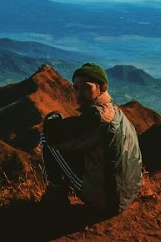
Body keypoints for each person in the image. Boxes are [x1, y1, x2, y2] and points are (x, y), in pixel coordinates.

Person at [39, 62, 143, 216]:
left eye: (87, 87)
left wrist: (53, 118)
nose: (79, 93)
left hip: (107, 201)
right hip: (127, 193)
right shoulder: (115, 111)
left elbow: (53, 136)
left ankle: (56, 195)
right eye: (76, 87)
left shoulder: (98, 117)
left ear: (103, 87)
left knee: (46, 141)